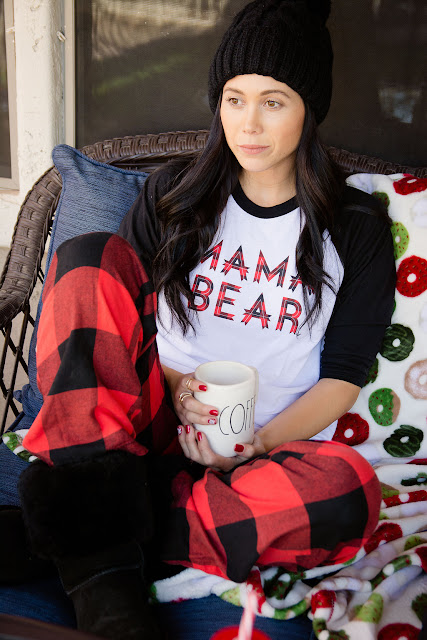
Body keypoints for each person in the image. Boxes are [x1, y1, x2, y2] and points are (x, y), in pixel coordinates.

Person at [2, 1, 396, 639]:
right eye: (235, 99)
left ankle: (80, 536)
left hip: (261, 455)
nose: (249, 123)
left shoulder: (354, 227)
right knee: (86, 259)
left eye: (273, 102)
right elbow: (112, 316)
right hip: (147, 422)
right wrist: (175, 382)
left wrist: (252, 446)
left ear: (308, 110)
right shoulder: (175, 195)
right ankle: (113, 591)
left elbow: (343, 378)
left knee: (348, 490)